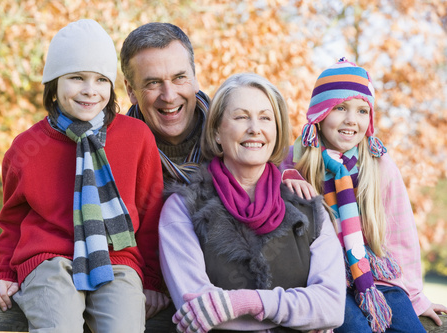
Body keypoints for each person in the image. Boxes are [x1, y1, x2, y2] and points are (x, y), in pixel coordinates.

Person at [0, 19, 166, 332]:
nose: (90, 91)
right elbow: (11, 221)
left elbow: (150, 212)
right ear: (54, 83)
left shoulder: (136, 137)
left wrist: (154, 281)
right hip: (48, 261)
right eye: (77, 77)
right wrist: (3, 276)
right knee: (57, 324)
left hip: (117, 258)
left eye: (101, 80)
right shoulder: (26, 148)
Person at [159, 73, 346, 332]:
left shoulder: (309, 209)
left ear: (276, 131)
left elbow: (331, 307)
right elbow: (197, 310)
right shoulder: (183, 208)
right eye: (241, 116)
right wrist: (302, 313)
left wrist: (242, 302)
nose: (254, 128)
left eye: (265, 118)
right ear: (216, 133)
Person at [280, 57, 447, 332]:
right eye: (341, 108)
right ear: (320, 114)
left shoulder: (378, 163)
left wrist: (416, 297)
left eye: (361, 111)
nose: (351, 120)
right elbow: (263, 190)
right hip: (325, 281)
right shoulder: (293, 161)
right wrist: (285, 177)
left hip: (378, 277)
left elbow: (402, 234)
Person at [120, 22, 211, 185]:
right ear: (131, 90)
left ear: (195, 78)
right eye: (153, 82)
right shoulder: (113, 157)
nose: (169, 96)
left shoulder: (235, 141)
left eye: (179, 78)